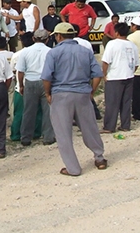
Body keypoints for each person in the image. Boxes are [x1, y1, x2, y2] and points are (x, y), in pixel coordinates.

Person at [41, 23, 107, 176]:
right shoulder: (85, 51)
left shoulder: (53, 53)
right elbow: (97, 75)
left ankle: (73, 168)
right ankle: (99, 157)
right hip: (82, 92)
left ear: (58, 36)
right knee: (89, 127)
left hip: (61, 94)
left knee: (63, 133)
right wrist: (91, 91)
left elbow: (46, 77)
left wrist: (48, 93)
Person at [16, 30, 55, 146]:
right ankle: (48, 137)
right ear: (47, 39)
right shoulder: (50, 52)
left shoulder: (25, 52)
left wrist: (21, 85)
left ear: (33, 38)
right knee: (48, 110)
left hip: (30, 81)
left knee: (28, 111)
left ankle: (26, 137)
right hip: (46, 81)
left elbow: (20, 71)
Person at [101, 22, 139, 133]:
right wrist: (131, 71)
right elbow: (136, 64)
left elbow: (105, 62)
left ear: (116, 32)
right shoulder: (132, 45)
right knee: (126, 102)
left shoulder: (112, 44)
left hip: (114, 77)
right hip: (129, 76)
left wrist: (104, 74)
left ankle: (109, 126)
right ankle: (125, 125)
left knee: (112, 103)